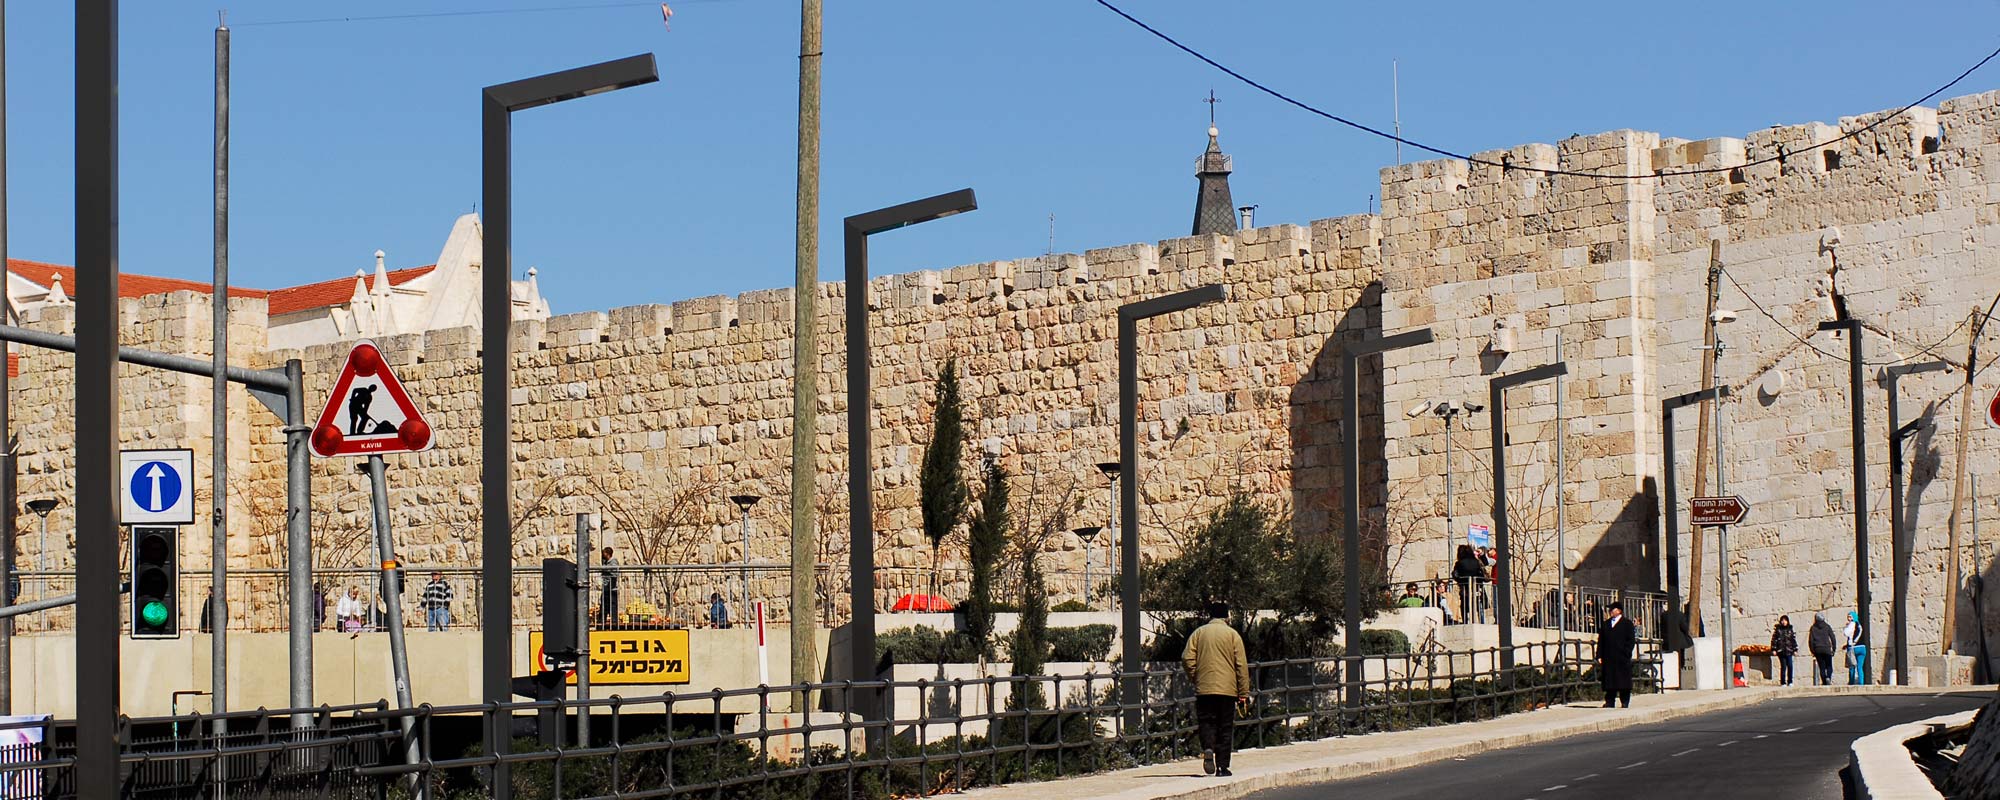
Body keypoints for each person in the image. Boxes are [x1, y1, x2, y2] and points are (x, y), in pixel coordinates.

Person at [1182, 601, 1249, 778]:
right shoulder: (1232, 635)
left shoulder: (1199, 633)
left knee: (1206, 722)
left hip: (1204, 689)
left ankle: (1208, 748)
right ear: (1226, 616)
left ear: (1210, 615)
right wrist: (1243, 693)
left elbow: (1187, 658)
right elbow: (1241, 665)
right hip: (1228, 690)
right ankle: (1222, 767)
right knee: (1225, 727)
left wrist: (1196, 677)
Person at [1597, 601, 1635, 708]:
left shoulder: (1627, 624)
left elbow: (1631, 640)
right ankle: (1610, 701)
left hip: (1622, 657)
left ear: (1619, 611)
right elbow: (1601, 641)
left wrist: (1626, 652)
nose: (1610, 612)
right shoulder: (1606, 624)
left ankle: (1625, 701)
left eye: (1612, 610)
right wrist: (1599, 655)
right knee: (1609, 680)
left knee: (1623, 681)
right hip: (1608, 657)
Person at [1452, 545, 1485, 623]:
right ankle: (1481, 621)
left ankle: (1465, 621)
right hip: (1476, 587)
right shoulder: (1476, 562)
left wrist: (1459, 581)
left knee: (1464, 606)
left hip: (1464, 588)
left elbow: (1456, 574)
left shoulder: (1459, 563)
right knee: (1478, 606)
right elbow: (1481, 574)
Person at [1768, 615, 1799, 686]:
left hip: (1789, 650)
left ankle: (1790, 681)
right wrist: (1774, 649)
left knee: (1790, 666)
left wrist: (1795, 649)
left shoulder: (1790, 629)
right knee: (1783, 666)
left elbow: (1792, 640)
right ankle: (1783, 682)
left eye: (1785, 620)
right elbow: (1774, 640)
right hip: (1781, 650)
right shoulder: (1778, 630)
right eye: (1782, 620)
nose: (1784, 622)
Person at [1808, 613, 1837, 685]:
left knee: (1822, 667)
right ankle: (1828, 677)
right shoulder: (1827, 626)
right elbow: (1833, 638)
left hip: (1818, 649)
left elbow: (1811, 640)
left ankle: (1824, 681)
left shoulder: (1813, 628)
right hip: (1826, 648)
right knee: (1829, 665)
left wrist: (1812, 650)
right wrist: (1834, 648)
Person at [1844, 611, 1868, 685]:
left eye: (1850, 617)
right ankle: (1861, 683)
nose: (1849, 619)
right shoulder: (1859, 625)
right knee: (1860, 667)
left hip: (1853, 648)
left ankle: (1851, 682)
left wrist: (1846, 627)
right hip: (1862, 647)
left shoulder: (1852, 624)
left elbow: (1846, 633)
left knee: (1852, 666)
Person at [598, 547, 621, 625]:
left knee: (612, 605)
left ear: (607, 554)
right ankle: (602, 621)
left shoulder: (613, 562)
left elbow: (615, 573)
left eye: (604, 553)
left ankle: (614, 622)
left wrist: (606, 569)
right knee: (604, 605)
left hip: (612, 588)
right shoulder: (606, 562)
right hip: (606, 588)